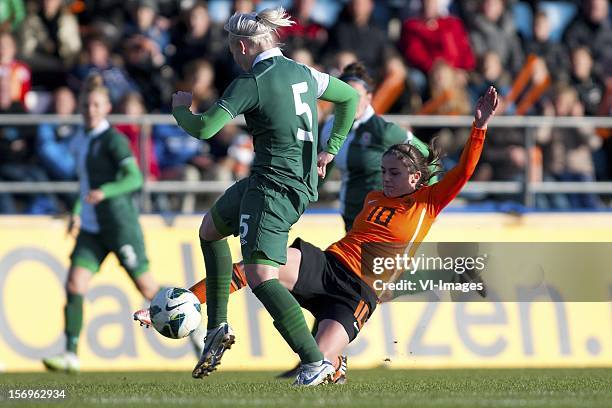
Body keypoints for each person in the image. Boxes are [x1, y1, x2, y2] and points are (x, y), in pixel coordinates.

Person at [135, 87, 498, 384]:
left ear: (416, 178)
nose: (386, 178)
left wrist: (479, 126)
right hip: (327, 263)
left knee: (316, 366)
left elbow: (464, 171)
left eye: (395, 173)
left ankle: (336, 364)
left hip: (356, 294)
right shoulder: (373, 197)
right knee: (252, 268)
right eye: (384, 171)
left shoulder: (428, 202)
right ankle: (193, 301)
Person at [169, 7, 359, 386]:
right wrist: (330, 148)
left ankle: (315, 360)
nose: (233, 57)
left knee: (261, 275)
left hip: (274, 185)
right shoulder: (304, 73)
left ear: (242, 46)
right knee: (210, 229)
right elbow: (350, 98)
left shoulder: (253, 81)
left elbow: (206, 128)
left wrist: (180, 110)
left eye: (232, 50)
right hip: (282, 181)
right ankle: (217, 327)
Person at [42, 74, 160, 372]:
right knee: (74, 283)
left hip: (119, 225)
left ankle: (192, 320)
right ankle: (70, 353)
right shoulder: (82, 140)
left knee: (147, 288)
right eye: (86, 104)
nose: (91, 109)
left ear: (107, 107)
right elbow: (85, 185)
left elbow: (134, 178)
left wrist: (105, 191)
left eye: (96, 104)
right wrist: (78, 211)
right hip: (93, 228)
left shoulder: (113, 140)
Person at [320, 62, 438, 231]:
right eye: (344, 96)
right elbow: (325, 166)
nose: (349, 102)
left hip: (380, 219)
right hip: (349, 218)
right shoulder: (329, 127)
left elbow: (428, 157)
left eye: (356, 96)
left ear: (369, 97)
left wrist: (429, 202)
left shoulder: (383, 130)